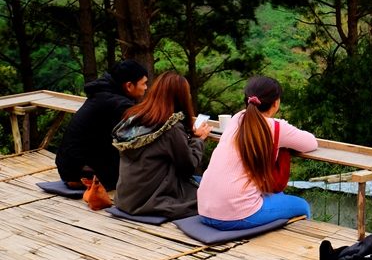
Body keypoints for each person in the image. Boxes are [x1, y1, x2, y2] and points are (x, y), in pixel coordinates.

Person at [198, 76, 317, 229]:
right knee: (302, 206)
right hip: (235, 216)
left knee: (278, 198)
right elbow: (311, 143)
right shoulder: (275, 127)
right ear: (276, 103)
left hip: (204, 210)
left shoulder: (236, 119)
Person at [112, 72, 213, 219]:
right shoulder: (170, 127)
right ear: (180, 97)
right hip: (151, 201)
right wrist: (198, 139)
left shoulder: (135, 117)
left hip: (126, 199)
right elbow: (188, 167)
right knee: (212, 196)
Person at [56, 60, 149, 190]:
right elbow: (134, 139)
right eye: (143, 83)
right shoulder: (118, 104)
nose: (146, 88)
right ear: (129, 86)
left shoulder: (103, 95)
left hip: (68, 166)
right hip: (81, 171)